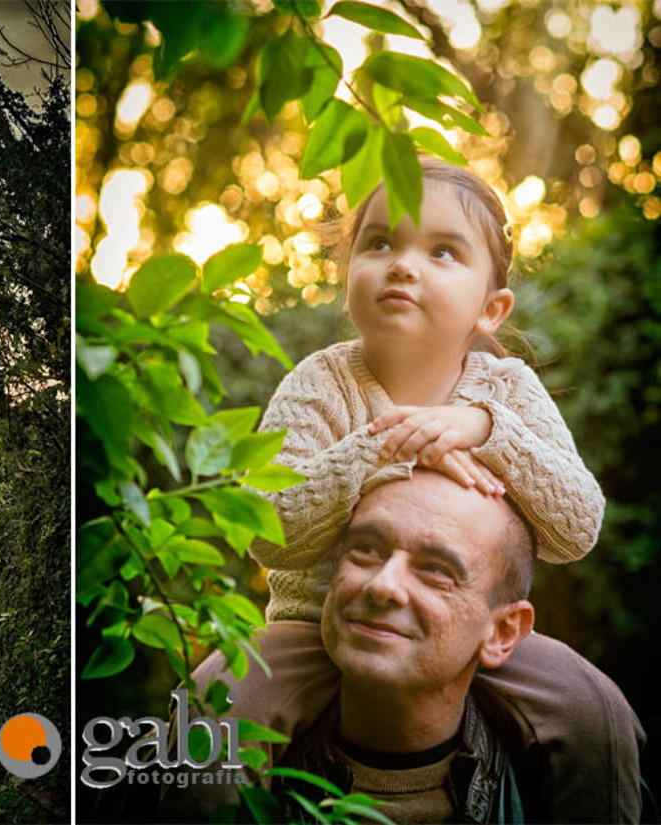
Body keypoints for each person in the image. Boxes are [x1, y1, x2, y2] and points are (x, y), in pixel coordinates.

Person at [227, 158, 639, 822]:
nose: (403, 264)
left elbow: (577, 526)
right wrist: (380, 450)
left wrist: (484, 430)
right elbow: (263, 529)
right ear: (347, 279)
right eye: (380, 242)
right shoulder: (320, 383)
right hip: (312, 628)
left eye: (442, 250)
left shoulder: (506, 391)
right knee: (216, 710)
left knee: (595, 711)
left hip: (466, 631)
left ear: (491, 308)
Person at [164, 472, 643, 823]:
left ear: (502, 632)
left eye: (436, 569)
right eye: (366, 549)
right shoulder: (177, 767)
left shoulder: (570, 778)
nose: (383, 585)